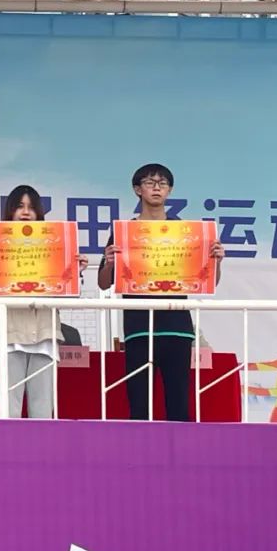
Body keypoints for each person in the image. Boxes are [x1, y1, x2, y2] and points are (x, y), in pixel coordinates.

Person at [98, 163, 224, 421]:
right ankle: (140, 447)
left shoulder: (187, 233)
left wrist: (216, 261)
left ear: (170, 190)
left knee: (178, 402)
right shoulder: (125, 232)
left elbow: (210, 281)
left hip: (177, 326)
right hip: (139, 327)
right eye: (149, 182)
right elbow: (102, 283)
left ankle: (180, 448)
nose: (156, 188)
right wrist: (109, 263)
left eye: (162, 183)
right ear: (137, 189)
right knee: (139, 403)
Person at [0, 185, 87, 419]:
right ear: (9, 211)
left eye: (31, 208)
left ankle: (41, 446)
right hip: (8, 335)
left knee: (42, 411)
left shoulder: (53, 247)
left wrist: (75, 271)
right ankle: (7, 445)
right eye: (19, 207)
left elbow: (68, 295)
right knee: (8, 410)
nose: (25, 212)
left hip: (44, 334)